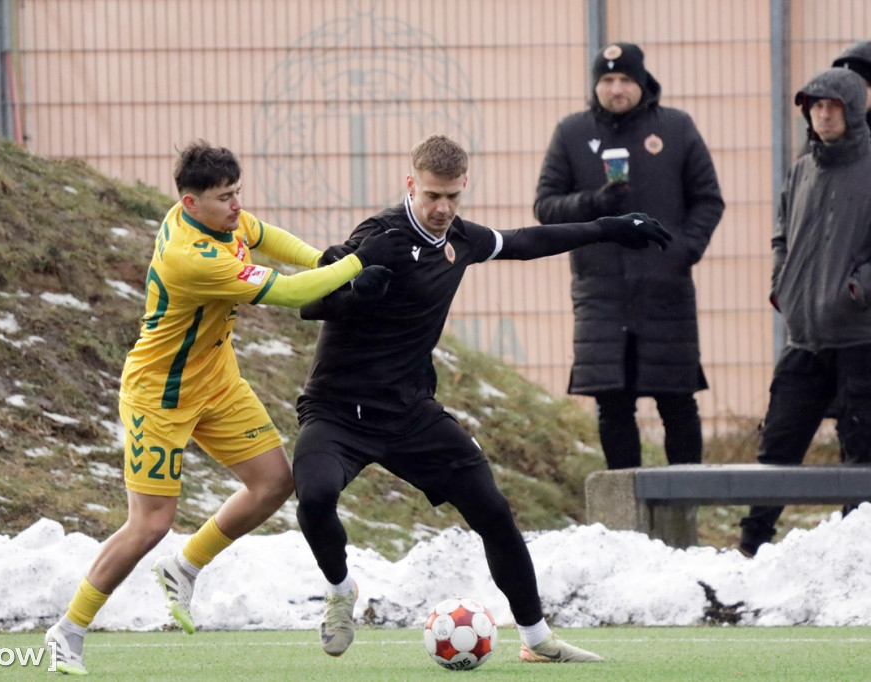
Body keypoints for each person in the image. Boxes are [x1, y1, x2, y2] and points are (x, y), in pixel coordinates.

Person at [293, 133, 672, 663]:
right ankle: (340, 590)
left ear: (463, 186)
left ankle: (538, 640)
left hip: (409, 414)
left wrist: (609, 228)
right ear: (411, 185)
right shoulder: (377, 237)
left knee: (493, 511)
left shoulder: (462, 239)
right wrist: (355, 293)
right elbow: (309, 302)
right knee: (313, 497)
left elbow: (524, 241)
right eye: (431, 196)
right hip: (337, 411)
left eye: (452, 196)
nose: (442, 208)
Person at [43, 140, 411, 674]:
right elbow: (288, 295)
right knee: (150, 524)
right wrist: (356, 263)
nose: (237, 205)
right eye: (225, 197)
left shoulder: (220, 218)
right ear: (191, 204)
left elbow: (265, 236)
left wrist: (323, 258)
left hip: (216, 381)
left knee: (273, 484)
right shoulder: (191, 257)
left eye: (238, 192)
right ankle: (67, 631)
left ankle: (185, 568)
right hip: (160, 396)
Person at [533, 42, 725, 471]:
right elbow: (546, 207)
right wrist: (594, 202)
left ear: (642, 83)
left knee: (677, 401)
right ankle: (625, 518)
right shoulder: (572, 132)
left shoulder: (676, 129)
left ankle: (685, 511)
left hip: (666, 291)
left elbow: (708, 200)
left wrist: (681, 251)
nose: (616, 89)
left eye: (625, 80)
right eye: (606, 80)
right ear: (595, 85)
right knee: (613, 406)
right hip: (601, 292)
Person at [736, 67, 871, 557]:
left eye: (833, 105)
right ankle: (750, 550)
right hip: (803, 336)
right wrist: (781, 287)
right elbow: (781, 234)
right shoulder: (802, 168)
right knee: (778, 445)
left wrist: (856, 289)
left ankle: (858, 552)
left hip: (860, 335)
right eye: (815, 106)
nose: (823, 113)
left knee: (862, 452)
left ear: (853, 109)